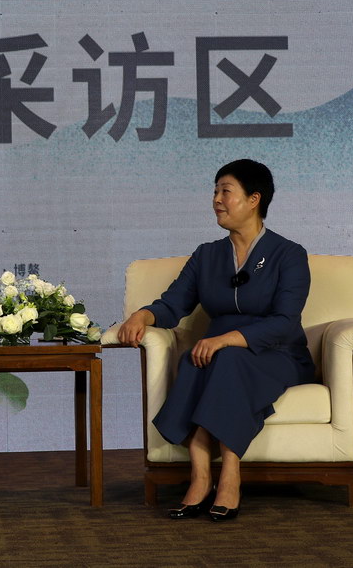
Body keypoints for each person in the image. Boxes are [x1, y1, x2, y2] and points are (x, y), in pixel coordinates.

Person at [117, 159, 314, 522]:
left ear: (254, 199)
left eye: (226, 191)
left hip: (278, 353)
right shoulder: (207, 255)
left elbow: (286, 322)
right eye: (215, 192)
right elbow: (173, 303)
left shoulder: (289, 254)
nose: (216, 200)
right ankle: (200, 474)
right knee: (195, 359)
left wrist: (228, 339)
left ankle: (230, 475)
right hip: (218, 352)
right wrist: (143, 315)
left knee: (226, 359)